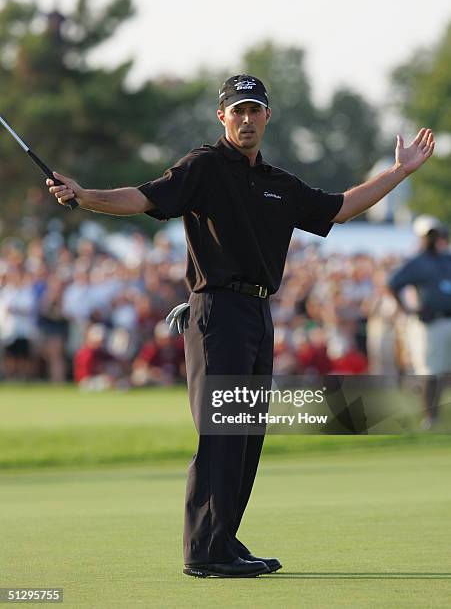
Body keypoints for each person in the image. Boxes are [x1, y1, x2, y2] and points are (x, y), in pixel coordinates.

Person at [46, 74, 435, 578]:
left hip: (258, 312)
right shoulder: (203, 167)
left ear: (267, 117)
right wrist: (82, 196)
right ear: (222, 117)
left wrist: (399, 173)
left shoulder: (278, 183)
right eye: (238, 111)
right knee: (222, 432)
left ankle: (223, 538)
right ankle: (203, 549)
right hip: (217, 314)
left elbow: (340, 208)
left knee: (248, 433)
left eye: (255, 111)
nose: (246, 119)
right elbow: (142, 198)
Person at [388, 215, 451, 428]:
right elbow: (393, 284)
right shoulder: (417, 262)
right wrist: (406, 308)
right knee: (430, 371)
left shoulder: (446, 258)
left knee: (444, 370)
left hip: (448, 319)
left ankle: (437, 414)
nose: (436, 239)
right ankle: (430, 417)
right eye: (430, 235)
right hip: (429, 323)